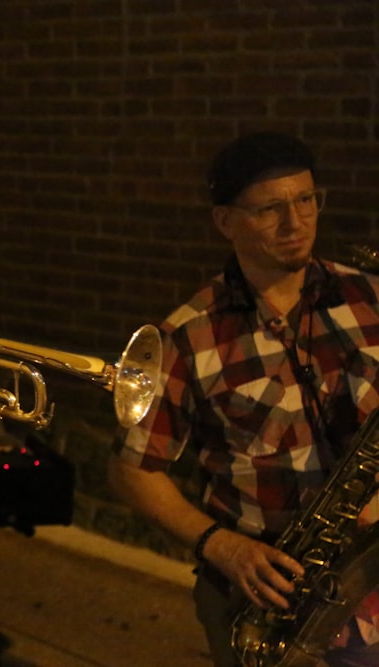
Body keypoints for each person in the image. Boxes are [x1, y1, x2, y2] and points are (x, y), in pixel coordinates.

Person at [107, 132, 379, 667]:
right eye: (271, 209)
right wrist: (223, 548)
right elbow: (131, 470)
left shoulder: (369, 295)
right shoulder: (187, 335)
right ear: (225, 222)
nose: (295, 222)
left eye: (306, 200)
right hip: (268, 598)